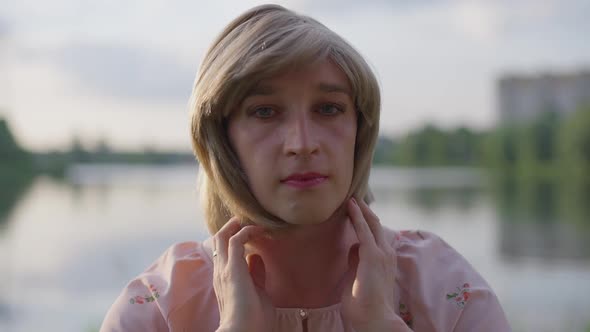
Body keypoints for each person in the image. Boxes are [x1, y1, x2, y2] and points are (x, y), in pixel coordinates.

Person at [100, 4, 510, 332]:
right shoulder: (160, 309)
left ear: (359, 130)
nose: (303, 143)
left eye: (329, 108)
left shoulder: (444, 289)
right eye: (264, 111)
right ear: (221, 139)